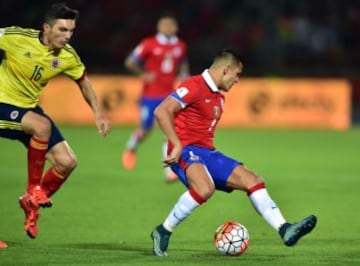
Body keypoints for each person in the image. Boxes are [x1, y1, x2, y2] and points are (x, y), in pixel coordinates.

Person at [150, 48, 317, 256]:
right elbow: (161, 111)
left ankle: (285, 229)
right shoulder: (194, 86)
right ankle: (163, 231)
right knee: (204, 188)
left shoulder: (218, 97)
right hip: (185, 150)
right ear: (225, 70)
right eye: (237, 75)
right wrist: (176, 143)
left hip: (206, 153)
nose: (237, 80)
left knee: (253, 180)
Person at [0, 3, 110, 239]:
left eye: (71, 31)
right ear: (47, 28)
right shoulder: (16, 37)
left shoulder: (68, 56)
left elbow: (84, 82)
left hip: (27, 109)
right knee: (42, 126)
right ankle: (34, 190)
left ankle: (31, 203)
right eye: (62, 30)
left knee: (66, 161)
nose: (67, 36)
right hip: (2, 103)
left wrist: (98, 113)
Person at [121, 13, 189, 182]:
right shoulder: (149, 44)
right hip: (150, 95)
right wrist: (143, 74)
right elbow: (130, 61)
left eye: (170, 25)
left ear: (176, 27)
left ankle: (170, 171)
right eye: (164, 25)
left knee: (169, 132)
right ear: (159, 27)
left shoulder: (180, 46)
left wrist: (185, 78)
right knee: (145, 129)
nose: (167, 28)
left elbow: (183, 64)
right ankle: (130, 148)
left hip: (169, 96)